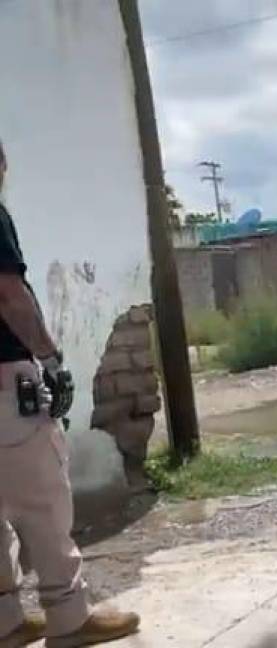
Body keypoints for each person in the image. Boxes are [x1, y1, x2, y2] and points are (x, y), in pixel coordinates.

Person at [0, 139, 140, 647]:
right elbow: (10, 295)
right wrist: (51, 358)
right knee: (42, 499)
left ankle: (6, 622)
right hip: (5, 383)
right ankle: (68, 616)